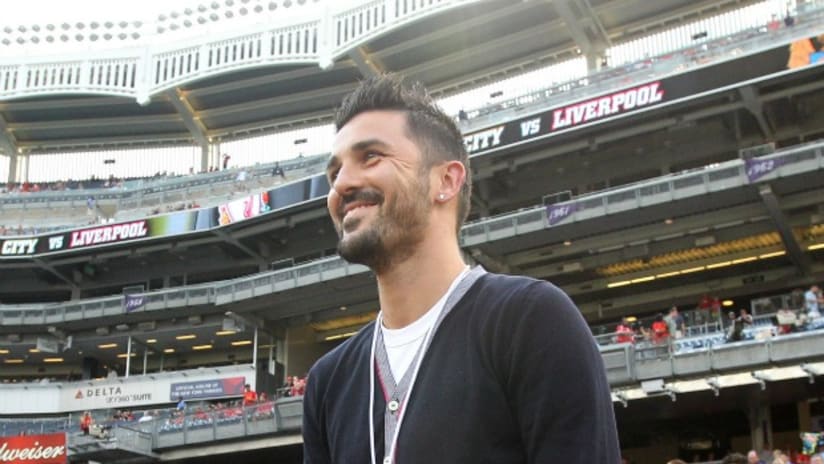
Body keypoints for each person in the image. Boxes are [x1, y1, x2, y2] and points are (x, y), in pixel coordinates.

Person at [302, 74, 620, 464]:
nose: (342, 184)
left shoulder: (529, 320)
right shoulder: (327, 381)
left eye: (371, 157)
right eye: (334, 173)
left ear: (447, 181)